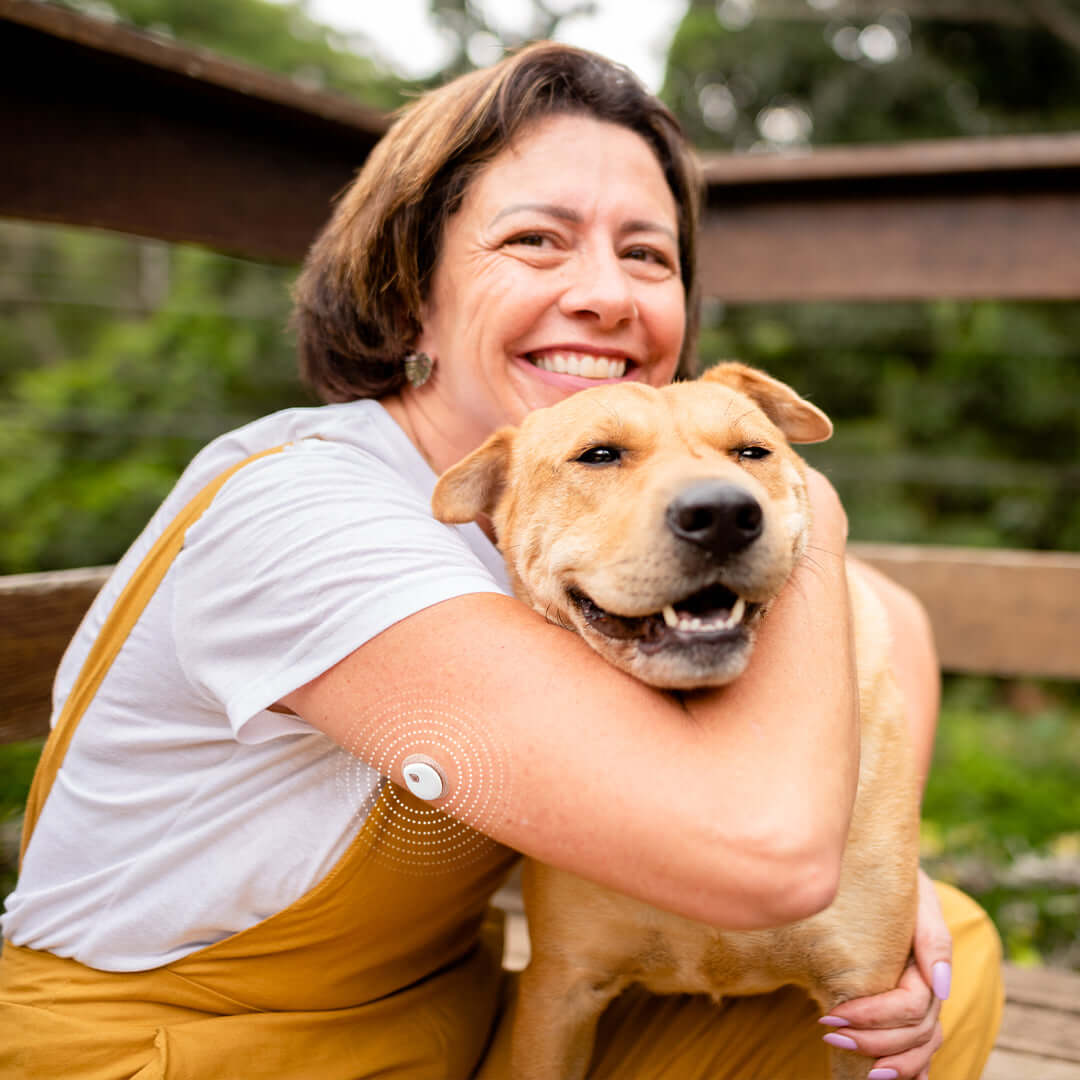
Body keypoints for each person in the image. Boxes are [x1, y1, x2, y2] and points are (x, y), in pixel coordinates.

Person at [0, 41, 1002, 1080]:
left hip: (456, 1031)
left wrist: (878, 863)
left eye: (649, 257)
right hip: (183, 1055)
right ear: (408, 290)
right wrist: (803, 498)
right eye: (536, 240)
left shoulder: (577, 525)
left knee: (948, 952)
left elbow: (898, 621)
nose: (609, 295)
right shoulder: (307, 518)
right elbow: (769, 856)